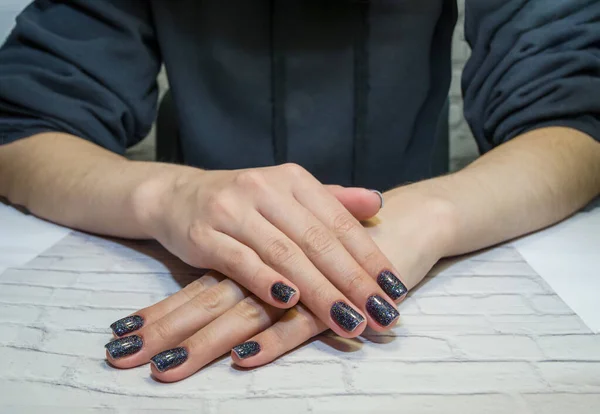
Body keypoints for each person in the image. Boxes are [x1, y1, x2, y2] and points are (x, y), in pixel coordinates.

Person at [0, 0, 598, 383]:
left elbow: (576, 117)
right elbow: (21, 124)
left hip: (415, 295)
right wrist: (168, 196)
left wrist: (423, 218)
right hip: (191, 260)